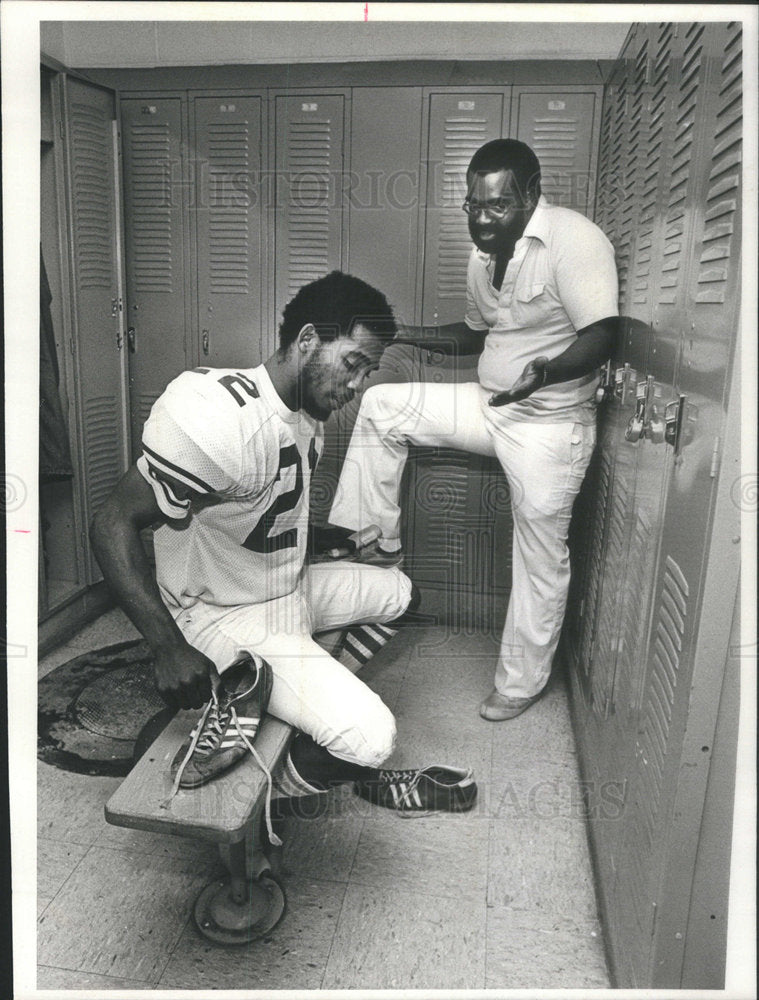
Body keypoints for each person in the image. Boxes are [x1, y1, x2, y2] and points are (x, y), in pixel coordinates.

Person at [90, 271, 477, 817]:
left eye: (367, 369)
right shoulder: (219, 417)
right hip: (221, 614)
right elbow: (111, 524)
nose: (358, 385)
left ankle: (293, 716)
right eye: (353, 363)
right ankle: (262, 785)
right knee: (371, 737)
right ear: (307, 340)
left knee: (399, 593)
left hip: (284, 589)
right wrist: (167, 647)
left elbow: (254, 507)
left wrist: (320, 536)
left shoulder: (301, 408)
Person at [329, 140, 619, 721]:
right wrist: (399, 332)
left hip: (549, 422)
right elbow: (473, 335)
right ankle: (372, 556)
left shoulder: (574, 238)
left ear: (532, 197)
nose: (481, 220)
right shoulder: (483, 256)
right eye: (472, 206)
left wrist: (548, 371)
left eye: (497, 206)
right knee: (383, 405)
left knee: (540, 551)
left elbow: (605, 334)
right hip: (489, 406)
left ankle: (521, 681)